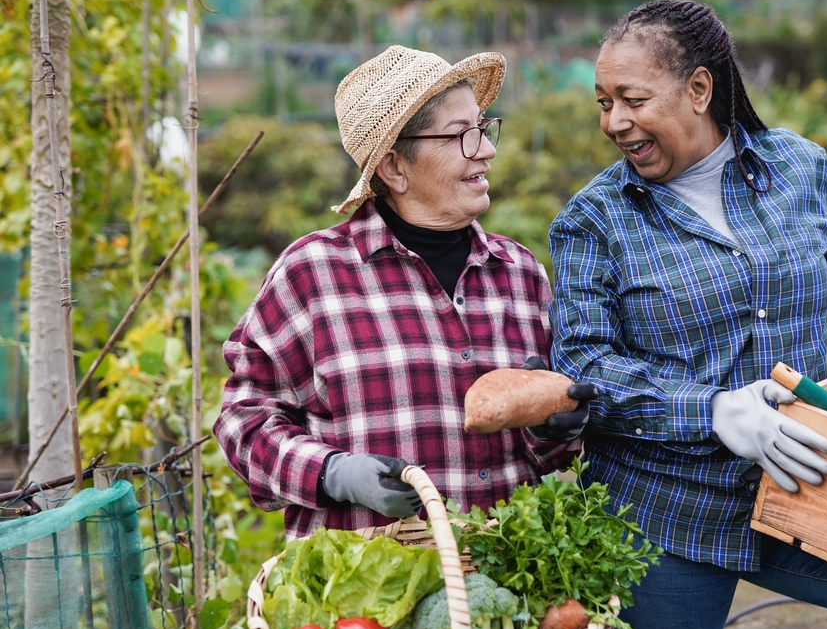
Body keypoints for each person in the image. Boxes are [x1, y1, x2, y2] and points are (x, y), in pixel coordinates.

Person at [547, 0, 827, 629]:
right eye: (603, 103)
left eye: (632, 99)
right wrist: (712, 410)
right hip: (665, 515)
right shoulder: (594, 220)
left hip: (810, 487)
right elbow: (583, 367)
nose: (615, 122)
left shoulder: (793, 168)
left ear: (699, 88)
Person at [214, 45, 592, 540]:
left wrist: (553, 430)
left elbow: (545, 455)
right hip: (366, 594)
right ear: (394, 168)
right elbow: (244, 421)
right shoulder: (313, 275)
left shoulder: (518, 273)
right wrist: (332, 473)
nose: (486, 149)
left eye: (483, 128)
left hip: (502, 580)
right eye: (461, 135)